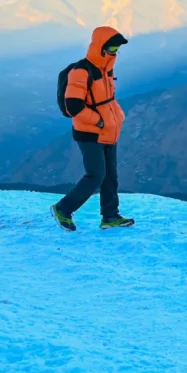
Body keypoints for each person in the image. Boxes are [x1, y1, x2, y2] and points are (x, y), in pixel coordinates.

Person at [51, 25, 134, 231]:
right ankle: (63, 208)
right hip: (90, 133)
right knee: (95, 175)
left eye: (116, 49)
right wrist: (99, 121)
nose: (114, 53)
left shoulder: (106, 70)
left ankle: (110, 217)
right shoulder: (81, 71)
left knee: (110, 175)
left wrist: (114, 118)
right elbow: (74, 105)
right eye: (111, 48)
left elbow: (106, 100)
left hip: (108, 130)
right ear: (99, 47)